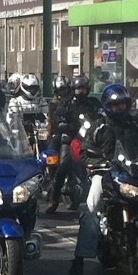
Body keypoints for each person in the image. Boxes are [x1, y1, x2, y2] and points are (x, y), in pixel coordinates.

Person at [69, 84, 138, 275]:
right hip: (104, 171)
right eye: (116, 105)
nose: (120, 108)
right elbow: (83, 150)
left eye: (123, 104)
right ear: (107, 105)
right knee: (92, 206)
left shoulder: (135, 124)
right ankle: (80, 258)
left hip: (130, 172)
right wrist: (96, 162)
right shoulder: (99, 125)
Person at [45, 75, 102, 214]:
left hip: (90, 139)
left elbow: (101, 116)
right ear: (73, 89)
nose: (81, 91)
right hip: (71, 138)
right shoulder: (67, 103)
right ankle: (54, 199)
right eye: (78, 89)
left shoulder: (93, 103)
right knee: (63, 164)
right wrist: (63, 124)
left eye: (83, 88)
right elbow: (59, 117)